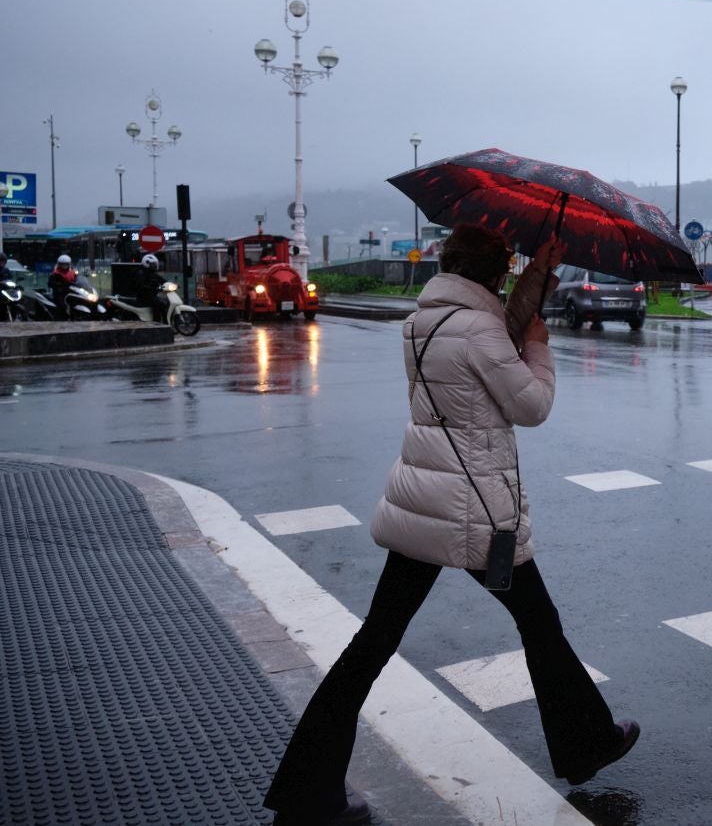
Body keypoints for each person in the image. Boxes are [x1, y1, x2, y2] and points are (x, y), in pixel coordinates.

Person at [263, 227, 640, 825]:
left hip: (425, 501)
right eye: (507, 269)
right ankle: (586, 742)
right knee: (539, 625)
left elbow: (491, 331)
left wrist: (538, 275)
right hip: (477, 515)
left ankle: (306, 788)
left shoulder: (426, 320)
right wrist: (540, 348)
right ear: (492, 272)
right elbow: (530, 405)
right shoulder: (479, 328)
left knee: (374, 642)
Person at [131, 253, 168, 321]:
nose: (154, 266)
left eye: (155, 264)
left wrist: (172, 284)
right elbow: (141, 286)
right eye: (152, 264)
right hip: (144, 297)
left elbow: (162, 280)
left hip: (151, 295)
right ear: (146, 263)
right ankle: (157, 322)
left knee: (164, 302)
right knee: (160, 304)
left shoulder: (153, 274)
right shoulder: (141, 273)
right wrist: (155, 289)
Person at [47, 254, 78, 319]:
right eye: (62, 264)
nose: (64, 266)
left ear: (69, 264)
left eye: (66, 264)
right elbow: (50, 284)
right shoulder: (55, 274)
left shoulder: (72, 273)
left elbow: (77, 280)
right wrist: (59, 285)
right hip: (60, 293)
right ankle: (61, 318)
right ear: (59, 264)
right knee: (61, 305)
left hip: (71, 292)